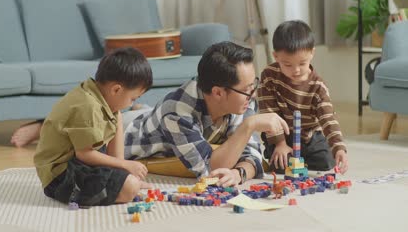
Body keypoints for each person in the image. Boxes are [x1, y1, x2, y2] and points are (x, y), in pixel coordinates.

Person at [124, 41, 289, 187]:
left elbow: (252, 154)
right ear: (218, 93)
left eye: (253, 85)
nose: (253, 94)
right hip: (131, 134)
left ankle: (142, 108)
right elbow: (210, 167)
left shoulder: (239, 97)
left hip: (168, 120)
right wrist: (249, 125)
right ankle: (140, 110)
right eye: (247, 89)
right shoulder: (176, 113)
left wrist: (238, 173)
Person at [33, 47, 153, 207]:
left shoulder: (105, 99)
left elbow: (115, 157)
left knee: (128, 181)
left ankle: (123, 184)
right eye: (133, 98)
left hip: (80, 161)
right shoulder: (88, 106)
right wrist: (126, 170)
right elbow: (85, 154)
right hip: (61, 176)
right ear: (116, 89)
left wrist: (122, 172)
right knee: (130, 187)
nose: (132, 103)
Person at [257, 20, 349, 174]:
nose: (296, 70)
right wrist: (280, 143)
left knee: (326, 162)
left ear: (312, 53)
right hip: (281, 134)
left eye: (302, 63)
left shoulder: (318, 87)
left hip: (309, 135)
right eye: (287, 64)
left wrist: (339, 148)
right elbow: (269, 112)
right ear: (276, 56)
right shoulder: (269, 76)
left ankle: (301, 157)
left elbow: (328, 119)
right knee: (280, 166)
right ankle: (284, 153)